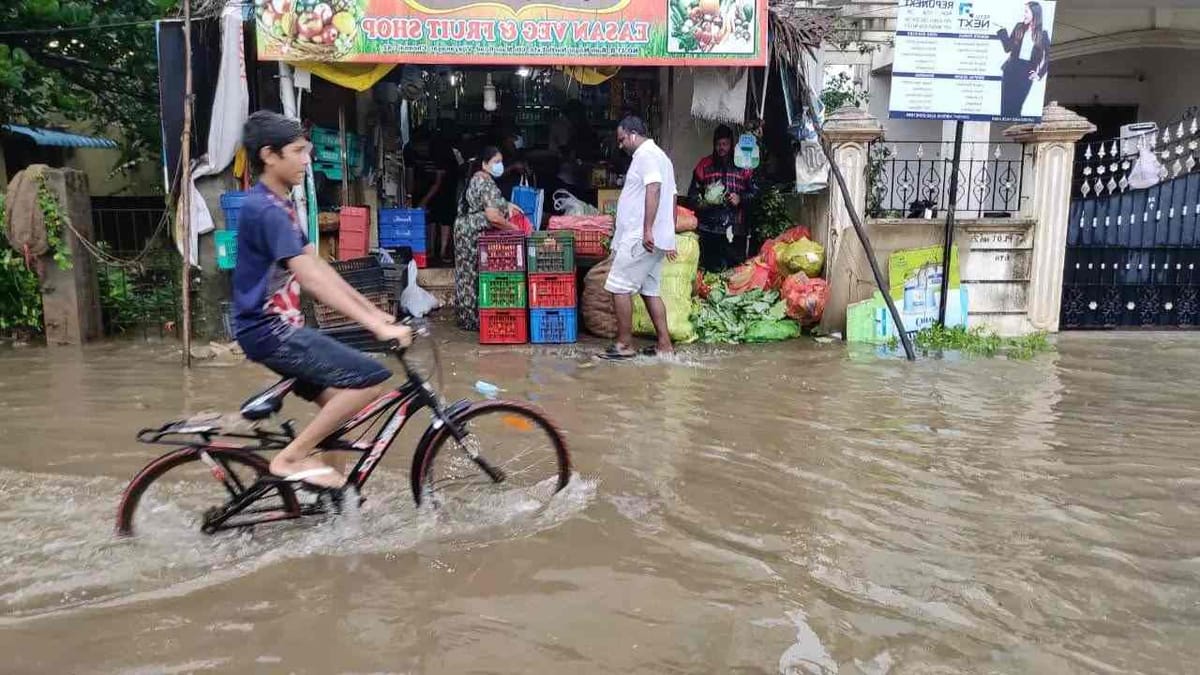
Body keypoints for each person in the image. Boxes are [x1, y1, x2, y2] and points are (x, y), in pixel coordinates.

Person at [233, 111, 412, 489]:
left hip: (277, 329)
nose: (306, 159)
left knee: (345, 408)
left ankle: (335, 496)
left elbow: (320, 266)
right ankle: (291, 458)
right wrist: (376, 326)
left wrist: (376, 313)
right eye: (297, 151)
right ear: (269, 155)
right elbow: (311, 278)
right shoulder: (267, 211)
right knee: (370, 379)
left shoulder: (277, 203)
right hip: (269, 331)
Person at [602, 116, 676, 359]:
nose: (621, 145)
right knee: (650, 290)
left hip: (640, 238)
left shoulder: (646, 156)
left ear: (633, 134)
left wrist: (647, 230)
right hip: (655, 239)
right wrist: (669, 235)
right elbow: (673, 198)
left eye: (622, 139)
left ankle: (624, 344)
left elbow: (653, 188)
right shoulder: (662, 157)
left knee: (618, 286)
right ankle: (664, 344)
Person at [453, 146, 520, 330]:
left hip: (464, 230)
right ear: (484, 164)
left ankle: (466, 317)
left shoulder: (478, 178)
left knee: (466, 273)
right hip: (473, 234)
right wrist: (514, 228)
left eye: (501, 162)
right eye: (496, 162)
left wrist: (507, 205)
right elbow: (492, 216)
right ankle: (473, 320)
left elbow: (485, 203)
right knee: (473, 275)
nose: (500, 165)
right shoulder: (485, 182)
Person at [687, 124, 757, 271]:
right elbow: (692, 196)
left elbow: (755, 194)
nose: (721, 148)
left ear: (731, 144)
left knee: (734, 272)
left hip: (735, 230)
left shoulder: (743, 166)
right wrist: (704, 203)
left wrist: (741, 198)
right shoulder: (704, 165)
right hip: (709, 230)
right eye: (718, 144)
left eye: (725, 144)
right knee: (709, 272)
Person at [415, 126, 461, 265]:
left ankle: (440, 252)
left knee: (443, 219)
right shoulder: (441, 153)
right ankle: (434, 251)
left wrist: (424, 201)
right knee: (435, 219)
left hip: (445, 191)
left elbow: (438, 182)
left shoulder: (440, 154)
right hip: (440, 192)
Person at [997, 1, 1050, 119]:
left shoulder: (1042, 34)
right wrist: (1002, 32)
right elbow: (1008, 48)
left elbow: (1048, 57)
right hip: (1010, 69)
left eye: (1026, 11)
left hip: (1026, 73)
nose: (1024, 14)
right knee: (1005, 107)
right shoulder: (1019, 27)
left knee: (1016, 107)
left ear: (1034, 14)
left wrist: (1039, 74)